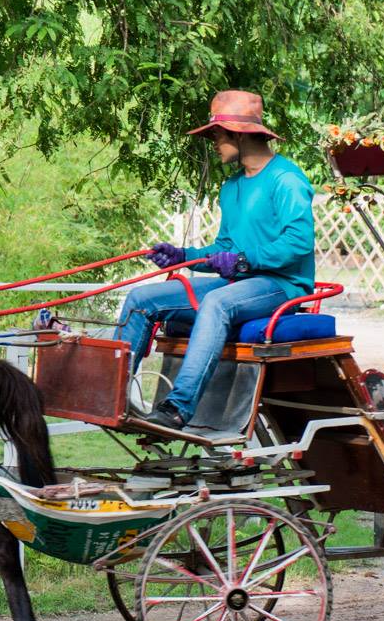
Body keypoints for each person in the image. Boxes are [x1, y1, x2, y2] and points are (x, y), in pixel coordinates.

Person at [114, 90, 316, 430]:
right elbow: (223, 248)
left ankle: (177, 408)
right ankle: (109, 394)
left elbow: (298, 243)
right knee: (140, 300)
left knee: (217, 304)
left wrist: (242, 261)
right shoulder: (233, 187)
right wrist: (183, 257)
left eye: (217, 135)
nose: (214, 143)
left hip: (281, 286)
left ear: (239, 133)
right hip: (240, 282)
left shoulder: (287, 180)